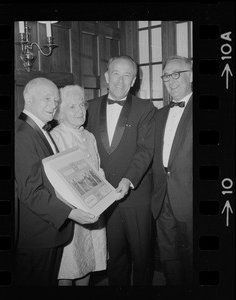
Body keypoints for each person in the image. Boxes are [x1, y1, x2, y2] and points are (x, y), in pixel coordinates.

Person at [15, 77, 99, 286]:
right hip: (36, 235)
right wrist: (70, 213)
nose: (53, 104)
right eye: (46, 98)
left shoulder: (39, 130)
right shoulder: (23, 135)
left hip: (47, 230)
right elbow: (30, 192)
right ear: (28, 98)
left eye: (55, 100)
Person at [86, 55, 156, 286]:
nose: (120, 80)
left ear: (134, 80)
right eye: (116, 73)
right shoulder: (91, 107)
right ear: (107, 76)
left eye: (127, 75)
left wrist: (128, 179)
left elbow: (145, 150)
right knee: (115, 257)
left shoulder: (145, 108)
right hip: (105, 197)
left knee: (142, 257)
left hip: (136, 196)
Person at [50, 85, 108, 286]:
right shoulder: (55, 137)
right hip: (71, 214)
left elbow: (97, 172)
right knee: (68, 266)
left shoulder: (89, 136)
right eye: (72, 107)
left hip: (93, 209)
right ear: (60, 112)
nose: (80, 110)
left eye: (82, 105)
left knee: (88, 262)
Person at [151, 55, 193, 285]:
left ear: (191, 75)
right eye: (167, 75)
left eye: (177, 74)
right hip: (162, 196)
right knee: (169, 256)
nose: (171, 80)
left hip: (190, 196)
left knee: (193, 257)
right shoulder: (159, 114)